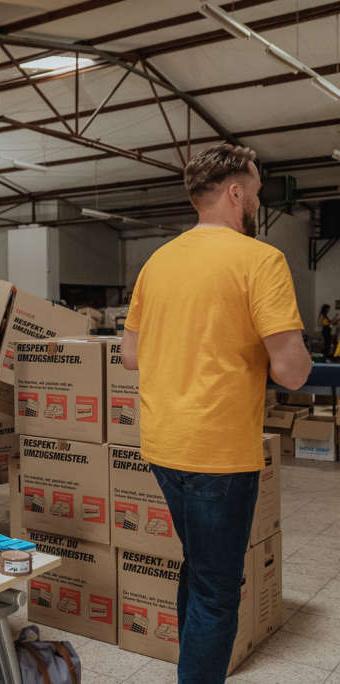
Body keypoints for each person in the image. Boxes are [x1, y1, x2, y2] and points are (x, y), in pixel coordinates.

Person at [121, 143, 310, 684]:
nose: (254, 203)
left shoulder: (158, 262)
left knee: (199, 570)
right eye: (253, 194)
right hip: (220, 453)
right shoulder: (260, 260)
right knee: (218, 590)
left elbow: (131, 356)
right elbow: (292, 372)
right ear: (234, 193)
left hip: (162, 445)